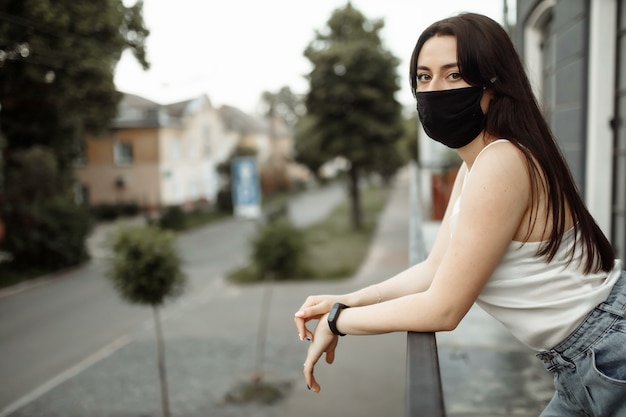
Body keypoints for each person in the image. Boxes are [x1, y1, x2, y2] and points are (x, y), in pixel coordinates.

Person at [293, 12, 625, 416]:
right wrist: (347, 301)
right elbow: (435, 269)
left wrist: (337, 323)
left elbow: (443, 309)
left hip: (608, 349)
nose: (434, 90)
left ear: (493, 84)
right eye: (423, 77)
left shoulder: (502, 161)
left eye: (453, 75)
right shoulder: (477, 164)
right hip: (582, 359)